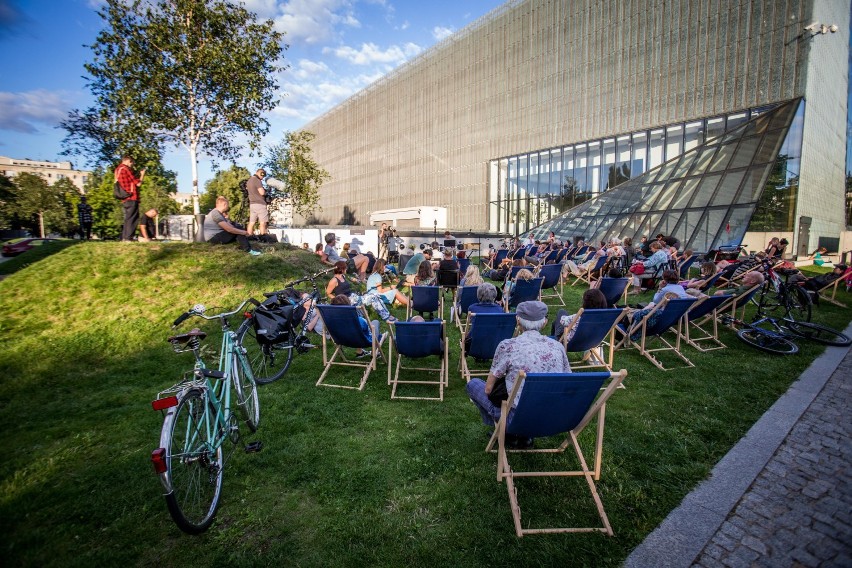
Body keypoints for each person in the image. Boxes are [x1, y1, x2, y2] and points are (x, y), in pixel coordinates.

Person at [465, 300, 570, 449]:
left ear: (518, 320)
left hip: (516, 419)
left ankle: (506, 432)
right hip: (551, 417)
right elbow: (567, 382)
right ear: (545, 322)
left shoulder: (508, 346)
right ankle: (524, 436)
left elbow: (488, 389)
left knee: (473, 384)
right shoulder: (558, 347)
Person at [329, 294, 379, 358]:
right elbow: (367, 329)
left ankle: (360, 352)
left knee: (356, 330)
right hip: (364, 341)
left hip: (342, 341)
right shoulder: (357, 320)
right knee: (375, 322)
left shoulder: (331, 320)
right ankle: (374, 352)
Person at [115, 155, 145, 241]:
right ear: (129, 161)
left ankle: (124, 237)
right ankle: (128, 238)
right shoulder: (126, 169)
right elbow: (138, 183)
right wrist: (142, 175)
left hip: (124, 198)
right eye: (132, 163)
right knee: (133, 218)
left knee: (127, 218)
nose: (132, 165)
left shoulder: (117, 170)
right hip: (132, 197)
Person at [245, 168, 269, 237]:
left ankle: (249, 236)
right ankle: (263, 237)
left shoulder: (249, 180)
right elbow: (262, 192)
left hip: (252, 204)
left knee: (251, 222)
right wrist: (265, 192)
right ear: (261, 174)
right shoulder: (257, 180)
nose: (262, 178)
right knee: (262, 222)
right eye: (263, 176)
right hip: (260, 204)